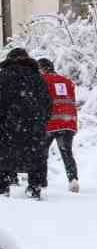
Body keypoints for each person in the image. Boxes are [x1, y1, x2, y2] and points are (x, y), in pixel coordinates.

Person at [0, 48, 51, 199]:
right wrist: (41, 121)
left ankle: (3, 186)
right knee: (35, 157)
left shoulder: (2, 77)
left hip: (5, 128)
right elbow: (47, 104)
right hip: (32, 127)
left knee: (2, 155)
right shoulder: (37, 78)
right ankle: (34, 187)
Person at [36, 59, 80, 193]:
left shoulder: (42, 80)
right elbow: (71, 100)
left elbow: (40, 101)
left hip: (50, 122)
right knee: (67, 152)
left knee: (41, 153)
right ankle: (73, 179)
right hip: (68, 122)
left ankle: (41, 181)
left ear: (42, 69)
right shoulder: (67, 81)